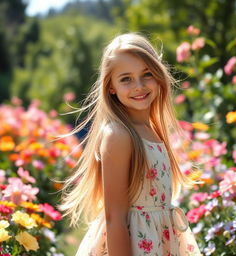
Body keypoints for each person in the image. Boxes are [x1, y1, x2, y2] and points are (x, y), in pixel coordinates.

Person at [57, 32, 204, 256]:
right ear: (111, 87)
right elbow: (115, 218)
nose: (138, 86)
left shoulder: (152, 130)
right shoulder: (119, 135)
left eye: (146, 74)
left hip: (161, 242)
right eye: (126, 79)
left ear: (157, 74)